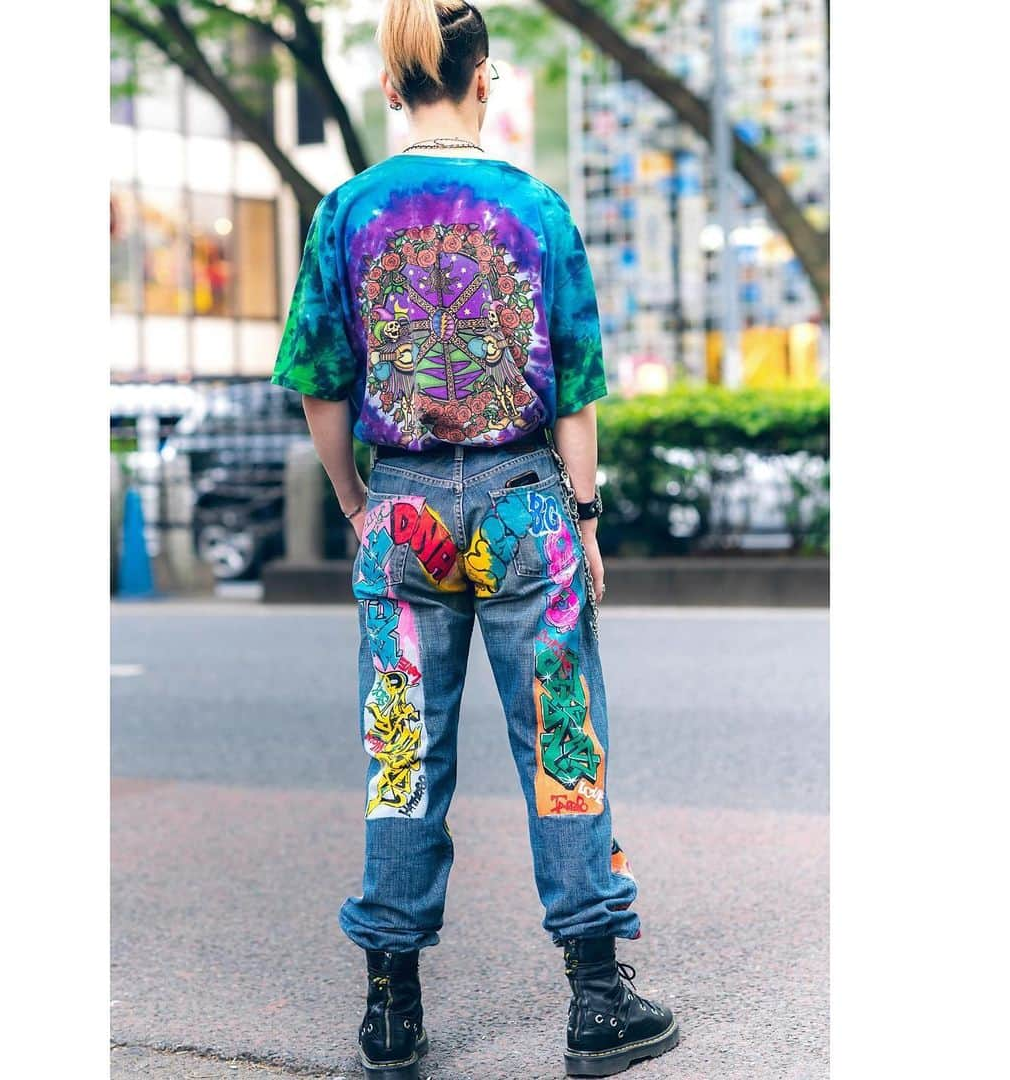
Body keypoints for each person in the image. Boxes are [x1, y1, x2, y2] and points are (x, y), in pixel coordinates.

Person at [271, 2, 679, 1075]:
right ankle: (596, 1000)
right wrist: (584, 521)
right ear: (486, 81)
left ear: (395, 88)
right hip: (523, 508)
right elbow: (578, 387)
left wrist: (359, 501)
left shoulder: (347, 209)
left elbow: (319, 385)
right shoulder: (536, 209)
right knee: (563, 743)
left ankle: (392, 1012)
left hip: (401, 513)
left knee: (403, 753)